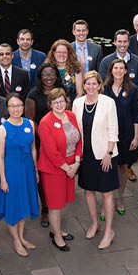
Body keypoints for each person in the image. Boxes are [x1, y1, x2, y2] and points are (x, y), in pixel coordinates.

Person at [73, 71, 120, 249]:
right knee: (88, 191)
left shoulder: (108, 102)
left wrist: (109, 153)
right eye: (87, 84)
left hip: (104, 155)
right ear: (83, 86)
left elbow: (113, 130)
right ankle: (95, 223)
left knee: (107, 193)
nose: (91, 87)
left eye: (94, 84)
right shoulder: (77, 103)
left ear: (99, 85)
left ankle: (109, 231)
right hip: (85, 155)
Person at [0, 93, 40, 257]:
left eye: (19, 105)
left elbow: (34, 148)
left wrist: (35, 170)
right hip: (11, 173)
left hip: (27, 170)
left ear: (23, 106)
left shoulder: (30, 124)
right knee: (13, 206)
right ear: (8, 108)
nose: (16, 109)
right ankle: (15, 240)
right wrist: (3, 179)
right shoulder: (2, 129)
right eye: (12, 106)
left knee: (24, 204)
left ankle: (21, 237)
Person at [37, 88, 82, 251]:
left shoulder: (71, 116)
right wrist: (67, 168)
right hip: (53, 169)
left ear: (66, 101)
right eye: (55, 102)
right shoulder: (45, 122)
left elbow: (79, 140)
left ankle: (55, 229)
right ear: (50, 104)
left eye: (61, 101)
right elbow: (51, 152)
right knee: (55, 205)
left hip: (70, 166)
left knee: (61, 202)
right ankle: (56, 236)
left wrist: (76, 163)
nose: (59, 104)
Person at [26, 63, 68, 227]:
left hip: (60, 139)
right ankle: (45, 208)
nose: (49, 78)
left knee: (58, 173)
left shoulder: (61, 92)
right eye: (45, 75)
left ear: (56, 76)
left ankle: (56, 206)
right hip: (41, 139)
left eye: (52, 74)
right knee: (44, 178)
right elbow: (30, 120)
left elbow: (67, 114)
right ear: (40, 77)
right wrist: (45, 135)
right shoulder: (33, 94)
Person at [102, 59, 138, 218]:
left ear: (126, 71)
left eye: (121, 68)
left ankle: (120, 199)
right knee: (107, 168)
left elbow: (135, 114)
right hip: (107, 135)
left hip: (126, 134)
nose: (118, 71)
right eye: (115, 68)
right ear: (111, 70)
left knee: (123, 168)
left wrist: (136, 137)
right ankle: (106, 203)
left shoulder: (132, 89)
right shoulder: (103, 89)